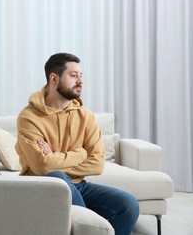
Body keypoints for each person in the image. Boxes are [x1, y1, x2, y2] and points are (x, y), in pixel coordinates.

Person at [15, 53, 139, 235]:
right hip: (40, 185)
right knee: (57, 176)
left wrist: (54, 159)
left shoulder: (85, 116)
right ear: (54, 79)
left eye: (81, 75)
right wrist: (80, 154)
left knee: (128, 205)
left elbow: (97, 164)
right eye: (73, 76)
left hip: (78, 186)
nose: (80, 81)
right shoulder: (29, 117)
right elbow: (43, 167)